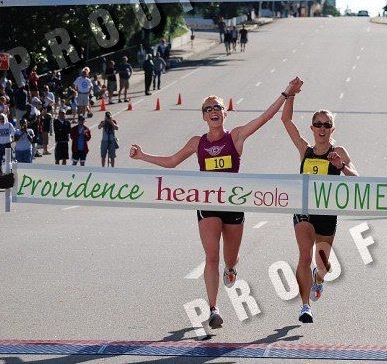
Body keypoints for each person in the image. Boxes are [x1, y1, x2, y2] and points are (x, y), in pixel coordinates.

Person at [129, 77, 304, 329]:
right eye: (208, 109)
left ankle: (231, 269)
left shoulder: (236, 137)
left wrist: (286, 93)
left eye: (217, 108)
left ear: (225, 113)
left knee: (229, 258)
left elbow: (264, 118)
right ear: (203, 117)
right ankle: (213, 309)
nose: (213, 111)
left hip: (233, 206)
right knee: (212, 257)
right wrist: (142, 156)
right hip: (208, 205)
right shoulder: (197, 143)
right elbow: (171, 162)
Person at [281, 95, 358, 324]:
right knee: (304, 256)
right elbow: (286, 120)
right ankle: (305, 306)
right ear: (312, 128)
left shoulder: (339, 151)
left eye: (327, 125)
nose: (322, 128)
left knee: (323, 264)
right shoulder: (305, 149)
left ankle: (319, 277)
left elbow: (357, 179)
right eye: (318, 124)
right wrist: (290, 94)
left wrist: (341, 166)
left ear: (332, 129)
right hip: (304, 210)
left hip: (327, 214)